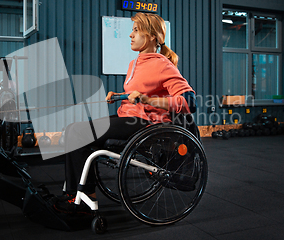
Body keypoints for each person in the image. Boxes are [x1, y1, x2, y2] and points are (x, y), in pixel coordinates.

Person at [53, 12, 197, 214]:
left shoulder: (162, 64)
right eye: (132, 30)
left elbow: (190, 101)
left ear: (153, 37)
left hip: (145, 123)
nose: (131, 35)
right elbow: (141, 92)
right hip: (128, 116)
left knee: (78, 132)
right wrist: (120, 95)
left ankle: (85, 196)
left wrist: (149, 100)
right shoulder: (134, 63)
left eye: (136, 30)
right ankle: (73, 193)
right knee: (72, 131)